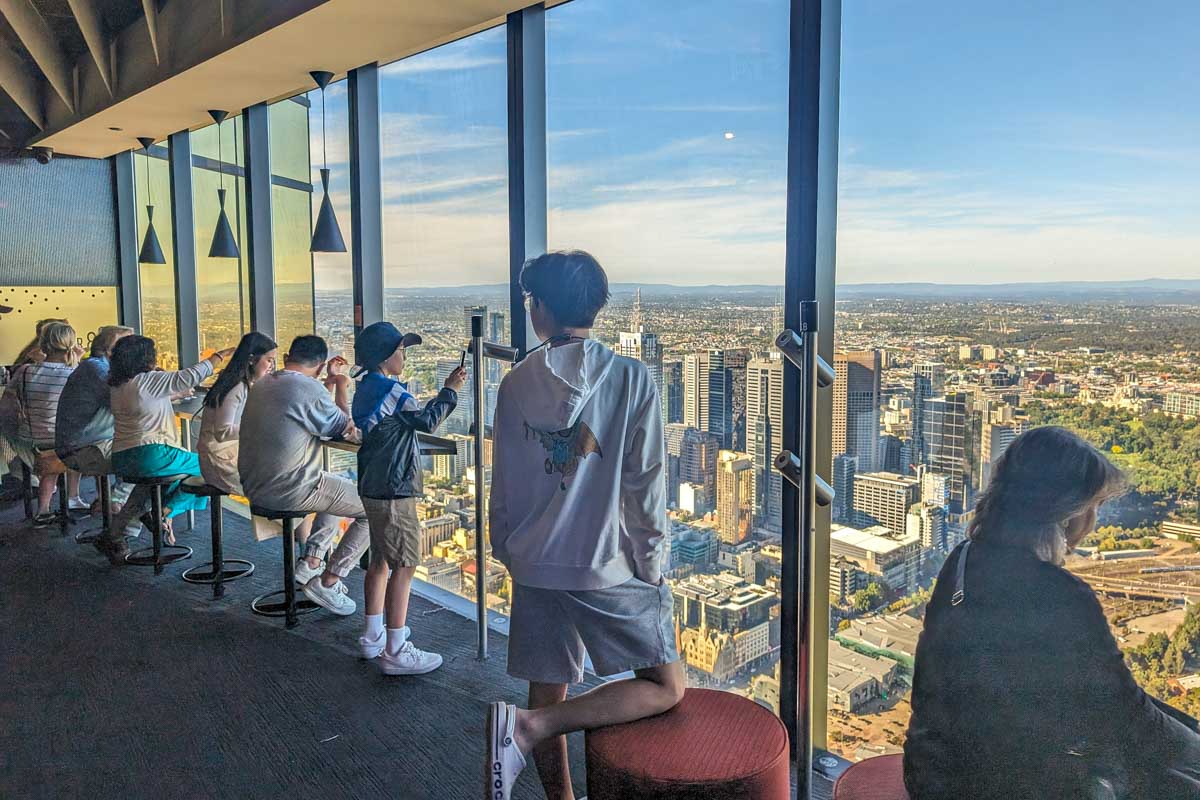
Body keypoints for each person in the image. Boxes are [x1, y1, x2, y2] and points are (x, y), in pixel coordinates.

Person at [904, 426, 1200, 800]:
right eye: (1095, 505)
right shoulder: (1064, 597)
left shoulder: (961, 561)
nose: (1094, 520)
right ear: (1068, 513)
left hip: (931, 775)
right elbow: (1127, 716)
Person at [485, 251, 684, 800]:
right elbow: (645, 485)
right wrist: (652, 567)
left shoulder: (515, 384)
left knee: (546, 688)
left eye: (531, 302)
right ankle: (529, 729)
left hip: (533, 558)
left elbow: (503, 478)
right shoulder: (628, 377)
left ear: (542, 309)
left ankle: (558, 790)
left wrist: (507, 546)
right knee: (666, 686)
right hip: (603, 566)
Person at [351, 321, 464, 673]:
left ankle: (373, 634)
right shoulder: (393, 391)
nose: (404, 357)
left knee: (380, 560)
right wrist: (450, 390)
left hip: (372, 483)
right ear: (386, 357)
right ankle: (396, 649)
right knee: (405, 564)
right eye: (401, 351)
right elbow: (427, 421)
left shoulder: (364, 388)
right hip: (394, 487)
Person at [238, 335, 365, 616]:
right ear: (320, 367)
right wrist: (341, 385)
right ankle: (330, 581)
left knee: (337, 488)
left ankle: (312, 560)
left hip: (254, 485)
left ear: (286, 359)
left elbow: (303, 403)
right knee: (374, 508)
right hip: (287, 489)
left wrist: (325, 383)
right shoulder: (307, 389)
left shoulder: (263, 384)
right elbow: (347, 429)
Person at [94, 336, 234, 564]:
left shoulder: (118, 385)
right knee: (210, 466)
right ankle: (166, 511)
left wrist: (172, 395)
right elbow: (188, 376)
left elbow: (147, 399)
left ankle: (112, 535)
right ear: (145, 358)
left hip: (123, 457)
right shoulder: (148, 381)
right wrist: (219, 357)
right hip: (152, 454)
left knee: (144, 492)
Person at [55, 325, 140, 533]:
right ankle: (116, 507)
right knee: (150, 457)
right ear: (112, 351)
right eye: (129, 346)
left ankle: (121, 522)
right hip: (82, 449)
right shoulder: (98, 369)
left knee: (151, 456)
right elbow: (126, 403)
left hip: (90, 443)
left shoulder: (94, 367)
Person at [10, 321, 85, 526]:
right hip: (60, 441)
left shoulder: (25, 371)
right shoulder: (72, 373)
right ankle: (73, 496)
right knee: (81, 441)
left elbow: (9, 401)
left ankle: (43, 510)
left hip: (29, 438)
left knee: (52, 456)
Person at [197, 331, 278, 496]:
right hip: (220, 462)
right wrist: (259, 426)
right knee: (277, 486)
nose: (271, 366)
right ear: (251, 359)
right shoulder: (238, 387)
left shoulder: (237, 383)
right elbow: (223, 431)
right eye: (268, 360)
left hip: (222, 456)